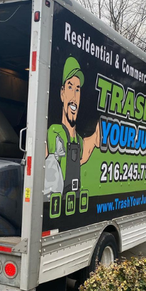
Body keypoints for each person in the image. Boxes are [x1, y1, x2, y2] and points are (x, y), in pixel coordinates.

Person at [45, 57, 99, 198]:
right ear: (62, 93)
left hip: (73, 200)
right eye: (70, 87)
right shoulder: (54, 132)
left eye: (77, 89)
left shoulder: (79, 140)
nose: (74, 96)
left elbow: (85, 154)